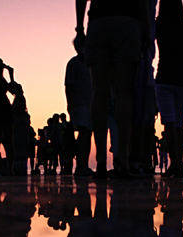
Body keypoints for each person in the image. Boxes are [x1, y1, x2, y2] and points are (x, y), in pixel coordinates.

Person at [75, 0, 150, 179]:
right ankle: (122, 159)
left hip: (99, 22)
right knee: (124, 92)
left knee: (98, 92)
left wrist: (79, 28)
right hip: (127, 21)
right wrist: (146, 29)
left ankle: (101, 159)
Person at [154, 0, 183, 178]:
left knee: (169, 122)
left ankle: (176, 163)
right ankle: (177, 163)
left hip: (164, 77)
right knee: (178, 122)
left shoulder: (159, 25)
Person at [65, 35, 94, 177]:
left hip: (91, 104)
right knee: (83, 134)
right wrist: (70, 104)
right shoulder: (73, 63)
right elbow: (68, 86)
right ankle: (81, 165)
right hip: (79, 104)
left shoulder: (91, 63)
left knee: (88, 134)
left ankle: (84, 165)